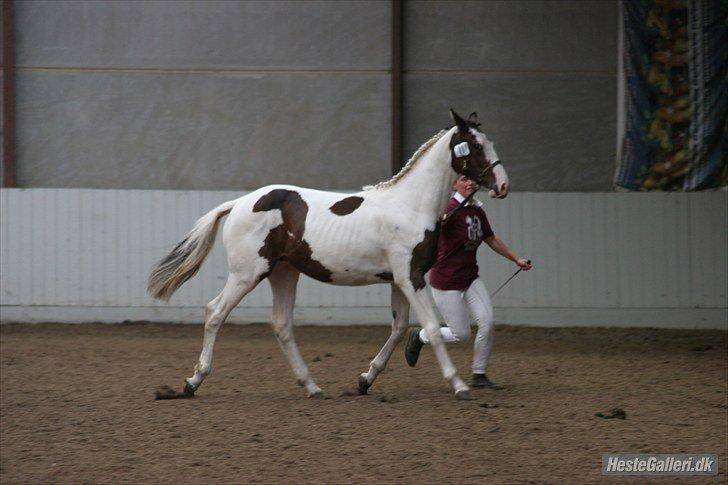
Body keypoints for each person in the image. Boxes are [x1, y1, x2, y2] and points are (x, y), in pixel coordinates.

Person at [404, 174, 532, 388]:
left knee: (488, 322)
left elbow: (490, 238)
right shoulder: (447, 206)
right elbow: (426, 225)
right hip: (446, 281)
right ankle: (421, 335)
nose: (470, 182)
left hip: (470, 278)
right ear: (454, 184)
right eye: (464, 179)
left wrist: (516, 258)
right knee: (461, 334)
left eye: (472, 180)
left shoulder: (477, 211)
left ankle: (479, 374)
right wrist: (440, 219)